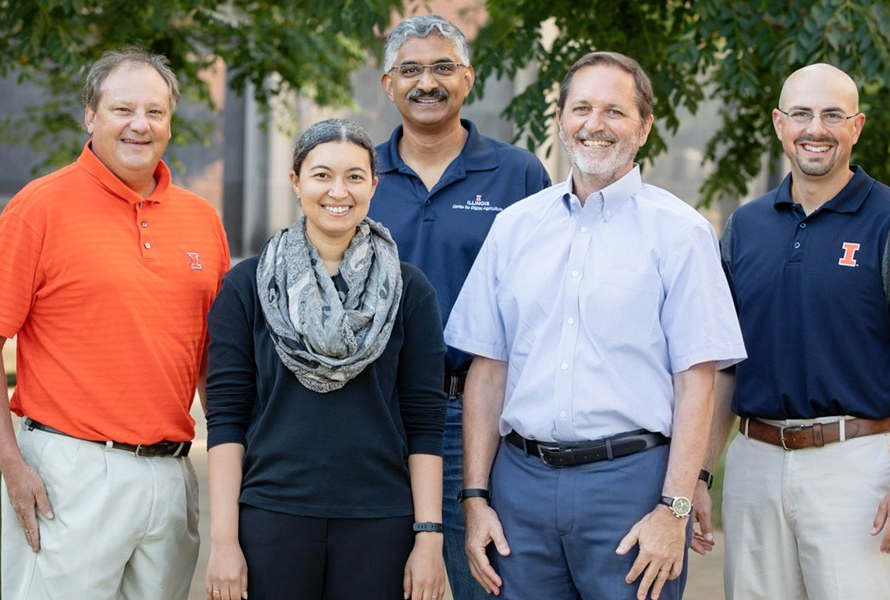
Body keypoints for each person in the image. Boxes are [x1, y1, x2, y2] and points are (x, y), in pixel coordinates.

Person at [443, 51, 746, 600]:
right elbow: (487, 371)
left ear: (645, 126)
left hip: (630, 486)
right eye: (581, 107)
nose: (595, 124)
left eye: (614, 110)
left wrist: (673, 509)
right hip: (520, 490)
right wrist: (475, 498)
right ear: (560, 117)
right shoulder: (514, 228)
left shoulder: (680, 234)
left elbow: (697, 382)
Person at [0, 47, 230, 599]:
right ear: (90, 115)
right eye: (122, 109)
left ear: (170, 122)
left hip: (173, 473)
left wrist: (230, 460)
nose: (140, 125)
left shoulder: (201, 220)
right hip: (71, 472)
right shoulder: (38, 207)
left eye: (155, 112)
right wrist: (11, 464)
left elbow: (211, 358)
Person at [694, 63, 890, 600]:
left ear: (856, 126)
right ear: (779, 124)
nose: (816, 129)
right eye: (802, 114)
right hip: (754, 463)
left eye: (833, 115)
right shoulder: (744, 228)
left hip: (854, 467)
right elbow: (723, 367)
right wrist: (700, 474)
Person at [204, 118, 448, 600]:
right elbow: (227, 418)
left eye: (355, 176)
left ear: (374, 186)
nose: (339, 191)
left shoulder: (409, 289)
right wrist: (223, 541)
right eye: (321, 175)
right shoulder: (248, 287)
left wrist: (429, 538)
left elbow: (425, 422)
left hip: (381, 521)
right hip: (272, 516)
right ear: (295, 182)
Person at [370, 14, 552, 599]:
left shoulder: (518, 174)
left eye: (443, 67)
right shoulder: (358, 173)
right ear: (388, 83)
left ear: (468, 79)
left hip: (474, 413)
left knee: (484, 579)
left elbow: (546, 298)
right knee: (374, 576)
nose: (428, 82)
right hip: (374, 410)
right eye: (412, 70)